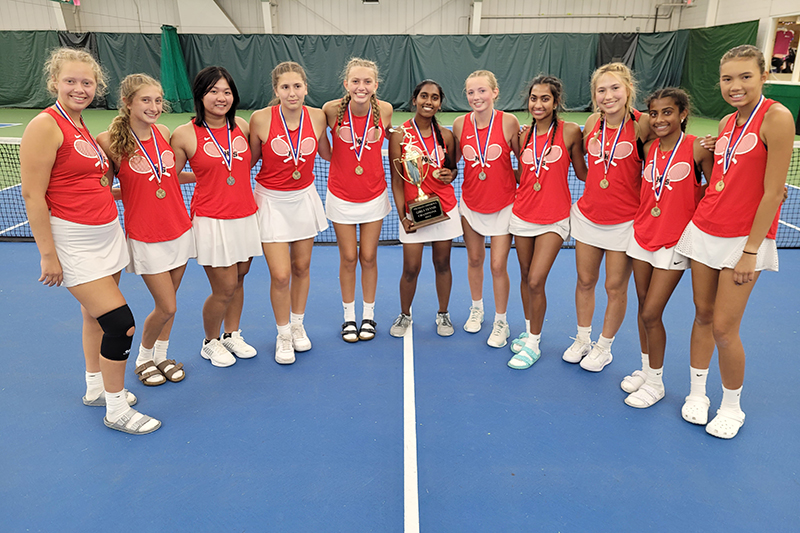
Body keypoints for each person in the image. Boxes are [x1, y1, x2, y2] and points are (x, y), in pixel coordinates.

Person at [20, 48, 160, 434]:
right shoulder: (45, 126)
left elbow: (89, 181)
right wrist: (48, 255)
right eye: (71, 81)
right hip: (73, 242)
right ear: (54, 83)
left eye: (87, 82)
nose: (79, 88)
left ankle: (95, 388)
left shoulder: (81, 124)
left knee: (93, 317)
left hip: (106, 234)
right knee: (121, 324)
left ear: (96, 87)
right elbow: (33, 194)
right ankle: (116, 409)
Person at [674, 45, 792, 438]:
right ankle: (696, 394)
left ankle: (731, 405)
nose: (735, 85)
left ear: (763, 77)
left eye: (745, 77)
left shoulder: (776, 118)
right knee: (702, 315)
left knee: (725, 328)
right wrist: (713, 147)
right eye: (728, 78)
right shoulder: (727, 121)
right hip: (706, 228)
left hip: (744, 241)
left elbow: (774, 193)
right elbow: (728, 175)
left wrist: (751, 251)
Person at [97, 74, 194, 387]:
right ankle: (143, 357)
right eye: (146, 100)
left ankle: (162, 355)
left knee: (169, 304)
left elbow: (165, 176)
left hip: (179, 227)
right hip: (146, 234)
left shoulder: (163, 131)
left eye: (157, 100)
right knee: (167, 306)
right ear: (127, 103)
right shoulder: (109, 141)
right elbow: (105, 188)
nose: (154, 107)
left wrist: (204, 175)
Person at [620, 88, 713, 407]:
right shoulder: (646, 147)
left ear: (683, 113)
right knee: (643, 307)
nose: (660, 119)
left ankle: (656, 384)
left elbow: (719, 191)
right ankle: (647, 371)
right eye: (655, 113)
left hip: (674, 243)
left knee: (651, 311)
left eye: (668, 112)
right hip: (642, 235)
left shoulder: (699, 148)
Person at [171, 66, 262, 367]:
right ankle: (210, 341)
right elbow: (168, 176)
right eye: (213, 91)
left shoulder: (243, 127)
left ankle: (231, 333)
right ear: (200, 94)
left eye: (226, 91)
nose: (221, 98)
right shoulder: (184, 134)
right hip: (211, 219)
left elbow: (245, 163)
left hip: (245, 215)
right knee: (223, 287)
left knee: (239, 280)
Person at [562, 62, 651, 372]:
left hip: (625, 222)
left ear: (628, 90)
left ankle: (604, 346)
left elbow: (670, 158)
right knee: (585, 281)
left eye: (615, 88)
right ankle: (583, 338)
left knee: (615, 288)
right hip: (588, 217)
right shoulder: (591, 123)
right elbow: (589, 169)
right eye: (601, 90)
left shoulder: (644, 125)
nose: (608, 95)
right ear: (594, 95)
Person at [249, 61, 331, 364]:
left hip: (304, 199)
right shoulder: (259, 119)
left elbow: (327, 154)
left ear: (306, 87)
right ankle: (282, 333)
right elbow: (249, 161)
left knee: (301, 268)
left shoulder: (318, 117)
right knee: (281, 275)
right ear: (276, 91)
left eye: (297, 86)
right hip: (271, 202)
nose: (292, 92)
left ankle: (298, 326)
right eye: (285, 87)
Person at [506, 76, 586, 369]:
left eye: (545, 99)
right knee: (525, 277)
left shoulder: (570, 132)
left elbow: (582, 173)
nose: (538, 104)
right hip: (522, 214)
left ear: (556, 102)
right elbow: (525, 174)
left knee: (537, 279)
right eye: (534, 98)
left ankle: (534, 344)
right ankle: (529, 332)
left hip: (554, 218)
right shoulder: (522, 136)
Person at [322, 57, 393, 343]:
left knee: (369, 256)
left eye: (367, 82)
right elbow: (322, 148)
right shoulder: (330, 110)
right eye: (355, 81)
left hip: (374, 195)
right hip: (340, 195)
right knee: (349, 257)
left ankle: (368, 315)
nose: (361, 86)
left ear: (375, 85)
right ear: (346, 84)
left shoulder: (385, 110)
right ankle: (349, 317)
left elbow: (400, 142)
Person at [452, 70, 520, 348]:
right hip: (470, 203)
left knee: (497, 264)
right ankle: (477, 308)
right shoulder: (459, 124)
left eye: (482, 91)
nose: (476, 97)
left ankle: (501, 321)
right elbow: (452, 164)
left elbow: (526, 160)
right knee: (475, 260)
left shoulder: (509, 122)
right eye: (471, 92)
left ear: (495, 92)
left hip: (504, 205)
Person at [388, 80, 462, 338]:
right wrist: (402, 216)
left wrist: (449, 175)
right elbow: (396, 180)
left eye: (434, 97)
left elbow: (453, 169)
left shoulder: (448, 135)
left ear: (440, 103)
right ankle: (405, 314)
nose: (428, 101)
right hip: (414, 213)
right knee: (411, 267)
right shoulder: (399, 135)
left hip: (444, 210)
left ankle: (443, 313)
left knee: (442, 263)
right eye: (423, 96)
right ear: (414, 99)